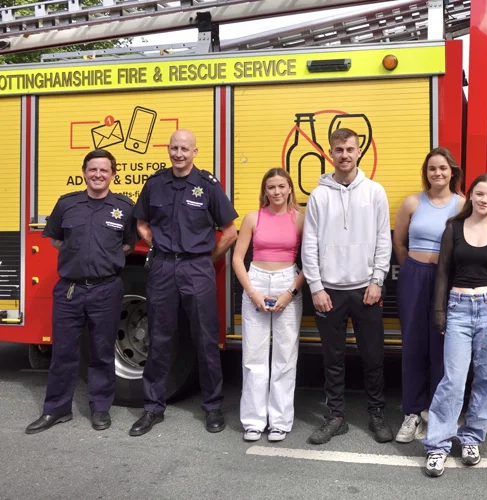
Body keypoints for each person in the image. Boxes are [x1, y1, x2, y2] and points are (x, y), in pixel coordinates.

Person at [129, 129, 238, 436]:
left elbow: (230, 232)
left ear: (195, 152)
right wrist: (157, 245)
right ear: (169, 149)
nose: (178, 153)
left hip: (197, 268)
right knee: (159, 338)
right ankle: (152, 408)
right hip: (163, 268)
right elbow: (141, 222)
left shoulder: (208, 186)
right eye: (174, 147)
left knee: (205, 340)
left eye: (184, 149)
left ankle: (213, 407)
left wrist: (207, 259)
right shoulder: (155, 184)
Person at [26, 149, 138, 434]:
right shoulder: (67, 204)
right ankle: (56, 410)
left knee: (101, 352)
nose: (98, 174)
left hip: (107, 289)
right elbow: (55, 239)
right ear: (84, 172)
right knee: (63, 352)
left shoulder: (124, 207)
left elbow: (128, 244)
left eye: (104, 170)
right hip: (70, 291)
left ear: (113, 174)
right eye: (93, 170)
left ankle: (100, 408)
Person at [302, 127, 394, 445]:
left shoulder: (375, 192)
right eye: (339, 150)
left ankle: (377, 413)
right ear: (330, 153)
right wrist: (315, 287)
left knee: (373, 356)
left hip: (366, 290)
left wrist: (377, 280)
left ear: (359, 152)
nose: (344, 155)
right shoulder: (319, 195)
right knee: (333, 357)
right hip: (329, 291)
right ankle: (336, 417)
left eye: (350, 149)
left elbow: (384, 239)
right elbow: (309, 243)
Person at [423, 173, 487, 478]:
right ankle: (437, 445)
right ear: (470, 196)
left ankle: (472, 438)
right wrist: (439, 311)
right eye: (479, 194)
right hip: (458, 308)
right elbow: (442, 273)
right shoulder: (454, 228)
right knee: (453, 379)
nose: (484, 200)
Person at [392, 147, 465, 443]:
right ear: (426, 172)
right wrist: (411, 270)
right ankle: (411, 412)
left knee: (443, 346)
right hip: (414, 276)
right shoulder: (412, 203)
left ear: (452, 172)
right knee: (413, 344)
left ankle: (437, 413)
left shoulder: (463, 205)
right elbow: (399, 242)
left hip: (446, 280)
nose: (438, 173)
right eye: (432, 168)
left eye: (443, 168)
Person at [232, 168, 305, 443]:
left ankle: (280, 422)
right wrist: (252, 293)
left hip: (288, 281)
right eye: (271, 187)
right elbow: (238, 259)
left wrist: (290, 292)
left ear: (289, 189)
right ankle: (253, 421)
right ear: (265, 190)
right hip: (257, 282)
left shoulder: (300, 219)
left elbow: (310, 261)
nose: (276, 192)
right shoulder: (253, 218)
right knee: (254, 357)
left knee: (285, 357)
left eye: (281, 186)